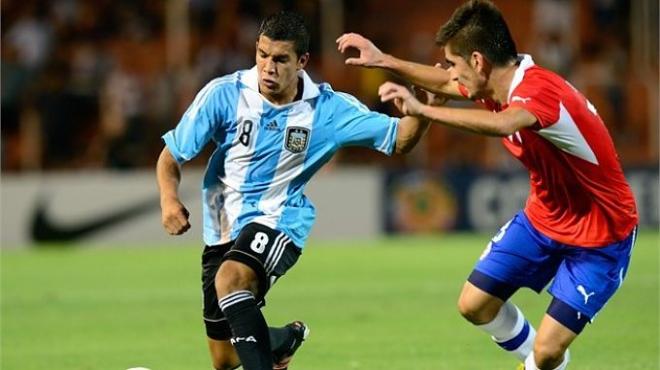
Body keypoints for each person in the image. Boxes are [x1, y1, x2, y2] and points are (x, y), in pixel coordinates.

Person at [336, 1, 638, 370]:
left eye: (454, 63)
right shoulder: (497, 84)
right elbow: (447, 83)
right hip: (544, 219)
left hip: (601, 234)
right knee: (474, 304)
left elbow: (505, 125)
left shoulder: (538, 91)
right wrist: (385, 60)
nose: (451, 74)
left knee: (545, 354)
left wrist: (423, 111)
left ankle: (541, 362)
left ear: (478, 61)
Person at [156, 11, 429, 370]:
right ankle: (284, 339)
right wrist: (168, 199)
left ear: (302, 62)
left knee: (230, 278)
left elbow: (399, 140)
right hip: (220, 227)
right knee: (224, 358)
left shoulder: (328, 111)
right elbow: (170, 157)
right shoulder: (223, 95)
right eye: (263, 55)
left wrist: (423, 111)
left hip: (279, 220)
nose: (269, 67)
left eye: (281, 59)